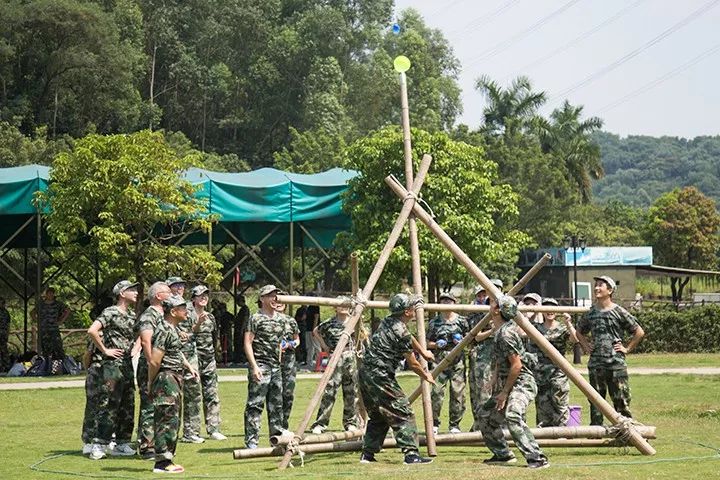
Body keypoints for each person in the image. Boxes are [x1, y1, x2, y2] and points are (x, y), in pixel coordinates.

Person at [359, 293, 435, 465]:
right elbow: (413, 364)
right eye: (413, 307)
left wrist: (423, 352)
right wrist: (427, 375)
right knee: (403, 412)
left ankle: (368, 454)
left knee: (379, 414)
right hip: (381, 375)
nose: (416, 310)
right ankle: (411, 455)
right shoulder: (400, 331)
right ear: (407, 312)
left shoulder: (389, 321)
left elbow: (409, 336)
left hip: (366, 373)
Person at [478, 295, 549, 469]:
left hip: (522, 383)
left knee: (513, 415)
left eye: (493, 303)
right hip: (508, 383)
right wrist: (494, 379)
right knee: (485, 416)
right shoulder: (499, 330)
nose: (490, 304)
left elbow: (517, 365)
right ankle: (502, 454)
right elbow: (501, 360)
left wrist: (504, 392)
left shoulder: (506, 334)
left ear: (497, 310)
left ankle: (537, 457)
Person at [576, 276, 645, 426]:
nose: (596, 288)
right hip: (596, 364)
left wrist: (627, 348)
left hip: (616, 364)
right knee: (595, 400)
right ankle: (595, 433)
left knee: (621, 400)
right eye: (595, 285)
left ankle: (625, 431)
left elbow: (639, 331)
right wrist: (586, 346)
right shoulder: (591, 313)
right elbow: (579, 331)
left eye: (601, 285)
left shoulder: (619, 311)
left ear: (610, 290)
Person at [86, 280, 139, 460]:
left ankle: (122, 443)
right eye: (132, 290)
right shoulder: (110, 312)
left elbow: (141, 334)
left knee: (128, 402)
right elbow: (92, 330)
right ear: (122, 293)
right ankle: (99, 444)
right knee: (109, 404)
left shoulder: (132, 315)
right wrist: (105, 350)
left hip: (126, 364)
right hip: (112, 365)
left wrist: (136, 348)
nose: (136, 292)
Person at [148, 296, 199, 474]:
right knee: (166, 420)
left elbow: (176, 352)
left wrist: (188, 366)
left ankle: (167, 459)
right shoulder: (164, 330)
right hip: (166, 378)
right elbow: (155, 361)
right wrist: (151, 382)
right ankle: (162, 463)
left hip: (174, 377)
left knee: (173, 419)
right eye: (182, 308)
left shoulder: (172, 329)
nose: (186, 311)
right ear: (173, 311)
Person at [244, 284, 287, 449]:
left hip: (276, 366)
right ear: (262, 299)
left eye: (275, 294)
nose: (274, 298)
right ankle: (252, 441)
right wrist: (254, 366)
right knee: (255, 404)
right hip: (261, 364)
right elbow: (247, 343)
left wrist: (279, 361)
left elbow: (280, 343)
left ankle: (276, 440)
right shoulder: (255, 318)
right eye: (270, 295)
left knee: (276, 405)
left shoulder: (280, 319)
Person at [310, 296, 360, 435]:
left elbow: (363, 335)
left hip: (350, 356)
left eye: (346, 304)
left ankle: (351, 422)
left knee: (351, 391)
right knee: (330, 391)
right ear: (335, 307)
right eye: (340, 305)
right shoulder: (330, 323)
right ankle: (321, 423)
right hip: (335, 357)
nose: (343, 307)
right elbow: (316, 331)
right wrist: (325, 347)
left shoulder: (354, 321)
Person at [135, 281, 172, 459]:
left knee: (160, 404)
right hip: (150, 364)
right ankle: (146, 446)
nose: (171, 294)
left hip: (162, 365)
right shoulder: (148, 315)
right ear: (158, 296)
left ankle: (157, 442)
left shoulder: (165, 315)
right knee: (149, 404)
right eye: (168, 291)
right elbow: (145, 341)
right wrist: (151, 363)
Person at [527, 297, 578, 427]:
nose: (550, 311)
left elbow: (574, 339)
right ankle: (544, 432)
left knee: (560, 402)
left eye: (553, 308)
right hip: (540, 372)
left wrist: (568, 323)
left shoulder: (562, 328)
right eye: (546, 308)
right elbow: (522, 329)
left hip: (558, 371)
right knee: (543, 404)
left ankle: (563, 431)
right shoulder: (536, 328)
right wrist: (534, 312)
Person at [166, 277, 204, 444]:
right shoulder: (164, 309)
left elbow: (192, 332)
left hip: (189, 355)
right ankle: (168, 434)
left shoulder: (188, 309)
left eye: (182, 285)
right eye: (176, 285)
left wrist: (194, 329)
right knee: (170, 398)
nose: (180, 288)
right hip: (170, 357)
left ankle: (191, 432)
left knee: (194, 393)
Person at [425, 292, 468, 434]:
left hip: (458, 362)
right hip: (440, 363)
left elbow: (470, 339)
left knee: (458, 393)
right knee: (436, 393)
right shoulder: (434, 323)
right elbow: (426, 342)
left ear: (454, 303)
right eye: (443, 301)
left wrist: (462, 341)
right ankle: (434, 423)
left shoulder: (462, 321)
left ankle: (454, 425)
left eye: (449, 301)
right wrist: (436, 345)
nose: (446, 304)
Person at [191, 285, 227, 440]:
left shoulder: (211, 317)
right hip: (193, 359)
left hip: (209, 359)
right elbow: (185, 335)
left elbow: (214, 337)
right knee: (194, 396)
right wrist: (198, 323)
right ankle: (192, 431)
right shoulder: (187, 315)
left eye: (206, 295)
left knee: (212, 394)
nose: (204, 298)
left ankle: (213, 429)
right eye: (200, 295)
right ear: (193, 299)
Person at [466, 293, 497, 432]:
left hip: (496, 357)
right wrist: (492, 331)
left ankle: (488, 424)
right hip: (481, 359)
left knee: (490, 392)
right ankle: (479, 423)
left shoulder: (504, 314)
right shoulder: (480, 314)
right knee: (477, 392)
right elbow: (477, 337)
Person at [275, 295, 300, 430]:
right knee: (275, 394)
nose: (279, 304)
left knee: (288, 393)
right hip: (273, 361)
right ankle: (275, 425)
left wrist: (290, 344)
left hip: (289, 362)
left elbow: (297, 339)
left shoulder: (291, 321)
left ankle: (284, 423)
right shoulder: (266, 319)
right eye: (277, 301)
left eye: (282, 302)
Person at [31, 287, 70, 360]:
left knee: (57, 347)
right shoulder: (41, 304)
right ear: (46, 294)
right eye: (49, 293)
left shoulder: (58, 304)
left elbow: (67, 310)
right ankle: (46, 364)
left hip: (54, 329)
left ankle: (59, 363)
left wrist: (61, 321)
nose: (50, 295)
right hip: (43, 329)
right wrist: (37, 321)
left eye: (52, 293)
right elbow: (32, 312)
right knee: (45, 348)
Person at [305, 297, 321, 367]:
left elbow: (316, 318)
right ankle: (309, 363)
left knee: (317, 347)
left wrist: (314, 329)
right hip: (308, 329)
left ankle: (320, 364)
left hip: (314, 329)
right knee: (309, 347)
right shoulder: (309, 307)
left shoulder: (316, 306)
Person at [233, 296, 250, 364]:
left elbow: (244, 321)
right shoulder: (242, 309)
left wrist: (242, 330)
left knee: (241, 345)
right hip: (239, 329)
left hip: (242, 330)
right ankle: (239, 359)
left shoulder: (245, 309)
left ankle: (242, 359)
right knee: (238, 344)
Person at [0, 297, 10, 371]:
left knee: (4, 350)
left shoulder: (6, 312)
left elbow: (8, 324)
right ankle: (5, 366)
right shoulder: (6, 312)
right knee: (4, 350)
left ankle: (6, 366)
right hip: (4, 333)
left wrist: (7, 334)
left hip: (3, 334)